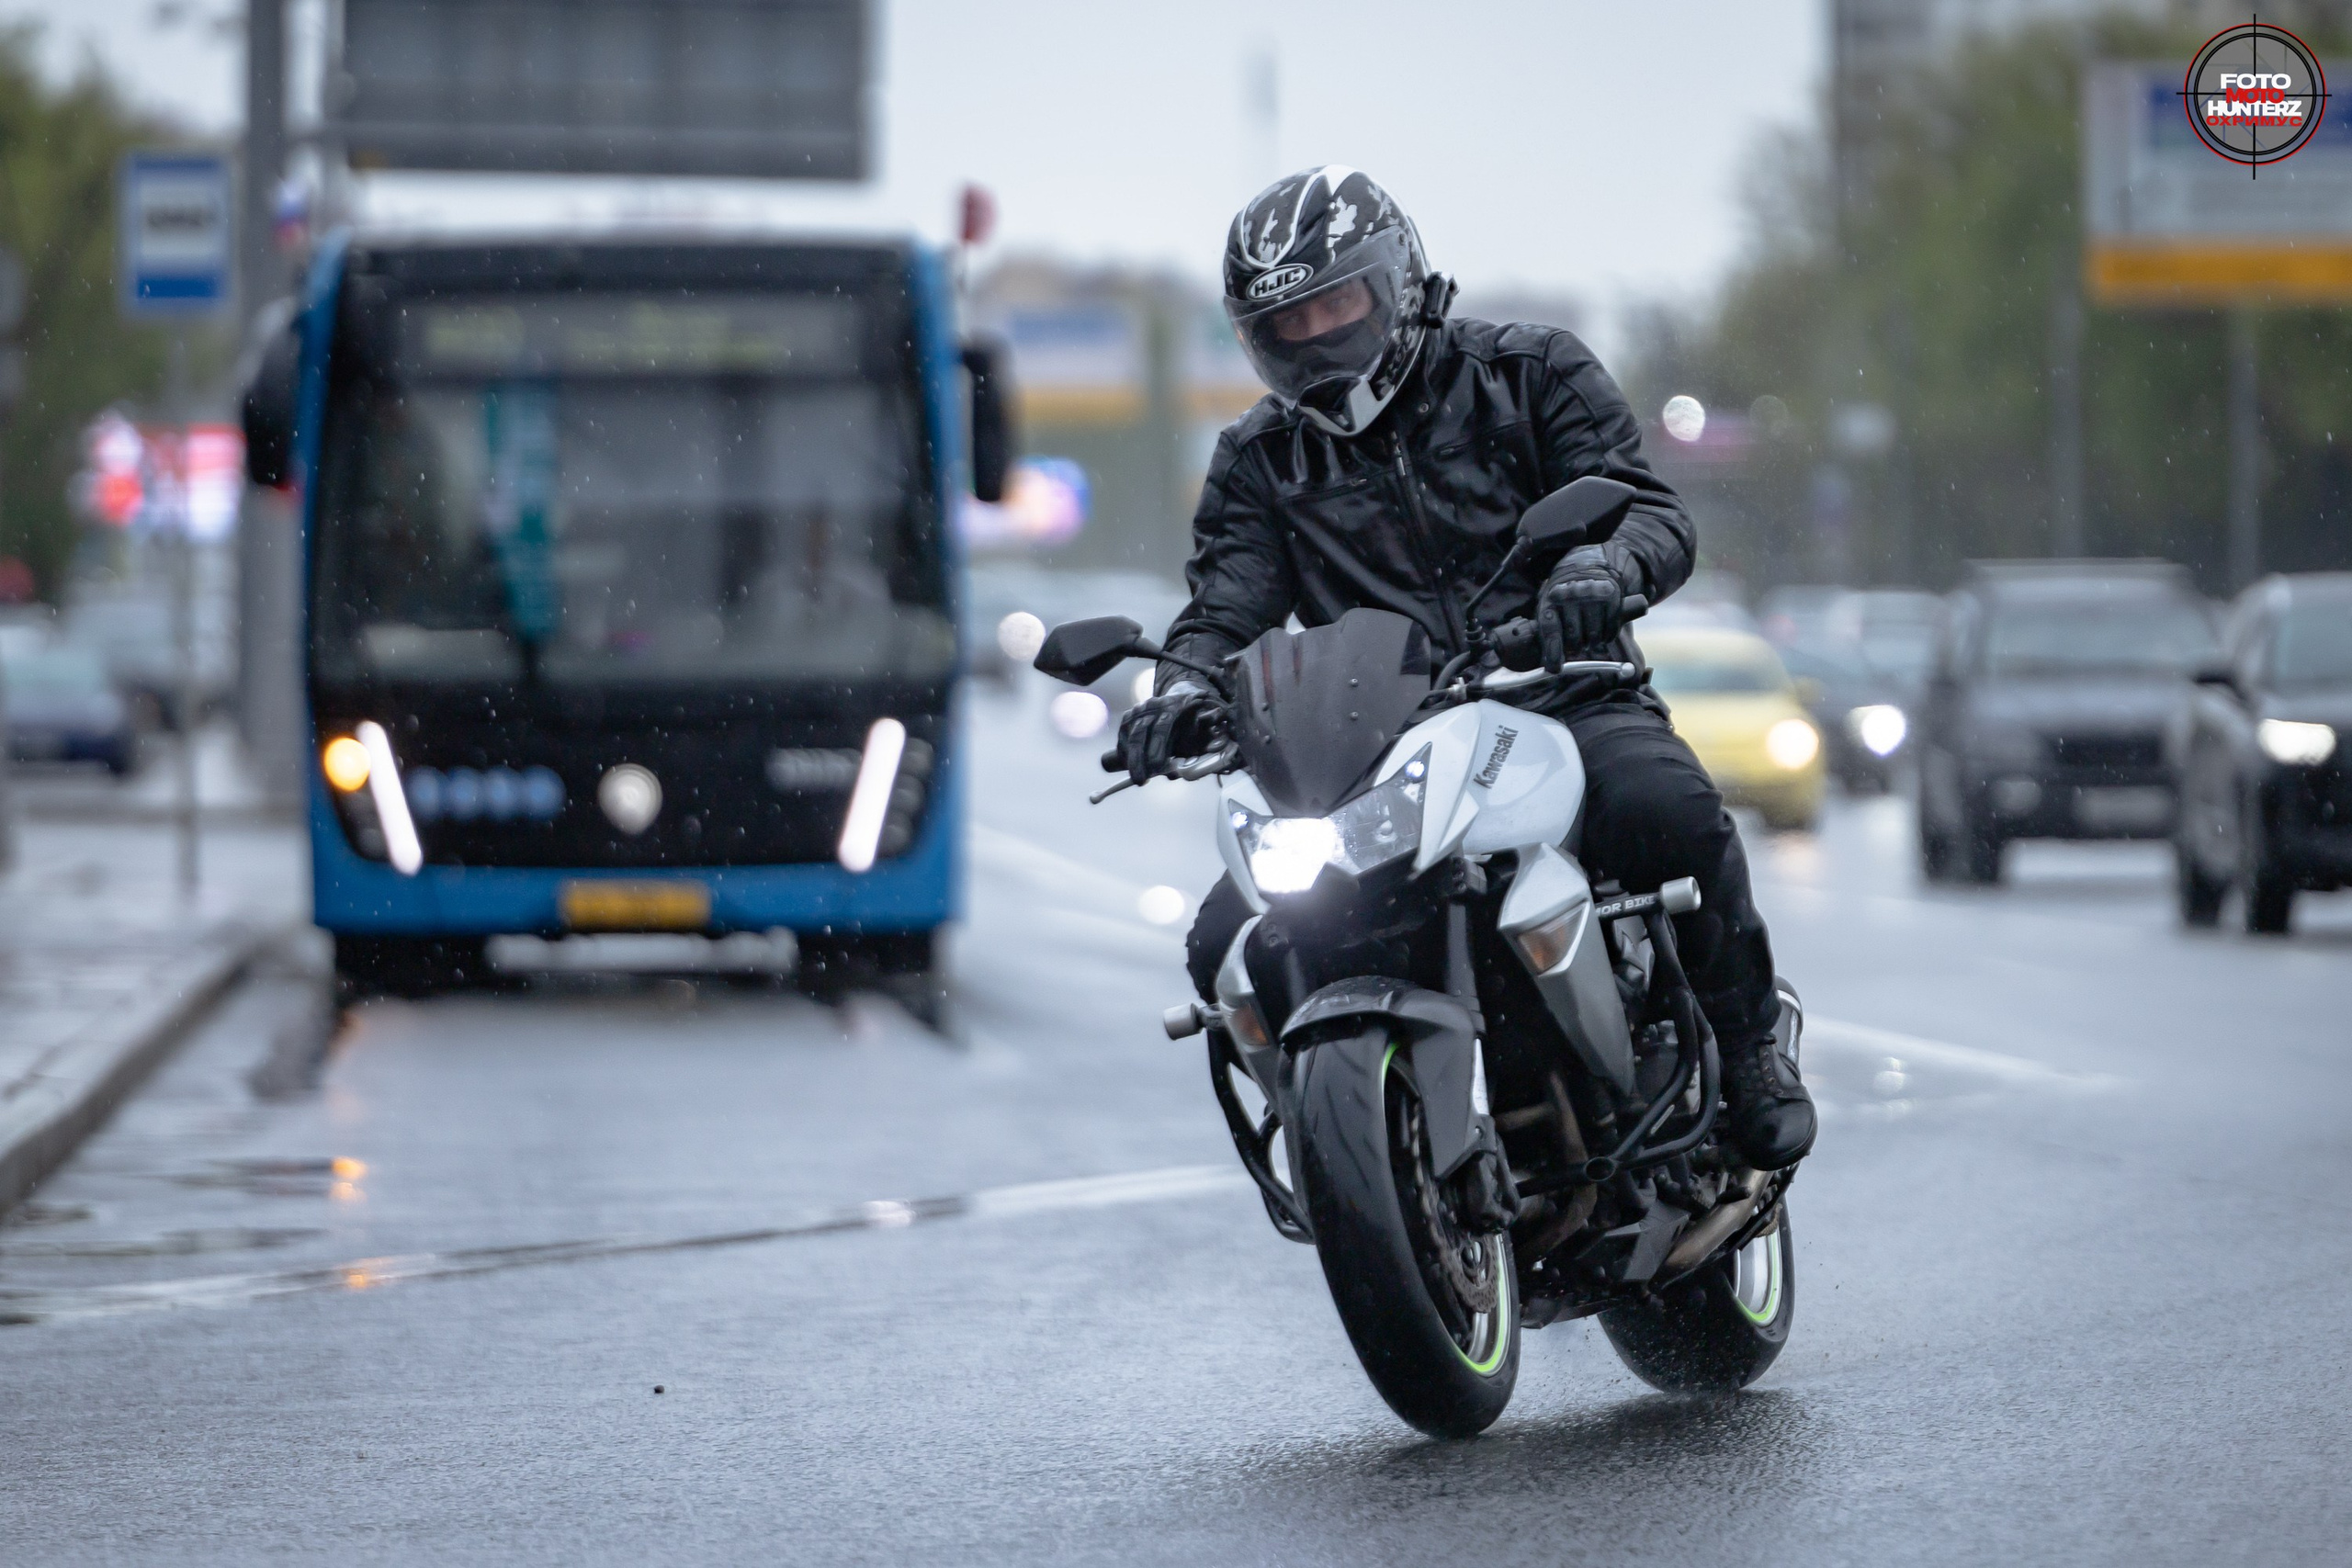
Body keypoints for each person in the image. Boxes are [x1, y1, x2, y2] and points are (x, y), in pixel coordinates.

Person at [1120, 166, 1814, 1170]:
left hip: (1560, 693)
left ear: (1394, 279)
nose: (1315, 336)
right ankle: (1333, 1147)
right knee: (1226, 935)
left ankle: (1749, 1046)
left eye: (1335, 303)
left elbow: (1639, 505)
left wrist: (1598, 568)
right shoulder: (1260, 460)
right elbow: (1226, 605)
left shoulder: (1531, 373)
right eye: (1286, 325)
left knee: (1666, 810)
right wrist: (1180, 688)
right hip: (1373, 745)